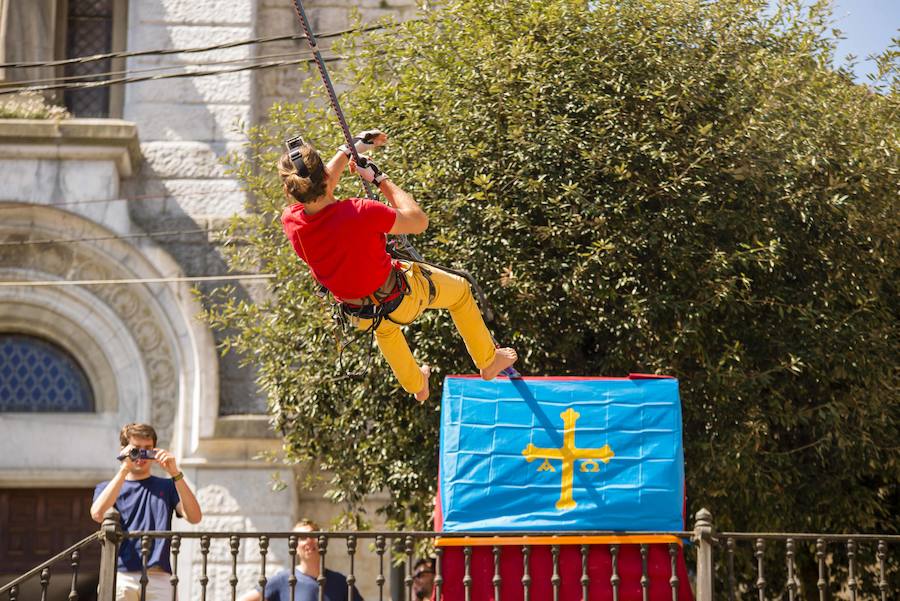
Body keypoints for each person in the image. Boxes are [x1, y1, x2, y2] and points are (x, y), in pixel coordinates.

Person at [278, 130, 517, 402]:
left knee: (387, 330)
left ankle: (418, 385)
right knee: (460, 291)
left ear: (291, 190)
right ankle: (487, 361)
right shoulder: (360, 212)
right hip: (401, 297)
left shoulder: (292, 221)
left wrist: (349, 149)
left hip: (361, 313)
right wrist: (380, 179)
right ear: (322, 175)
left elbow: (319, 189)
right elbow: (417, 221)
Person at [90, 423, 203, 601]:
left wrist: (175, 472)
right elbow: (97, 514)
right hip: (120, 574)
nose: (141, 455)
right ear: (124, 450)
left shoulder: (168, 486)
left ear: (155, 450)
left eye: (147, 449)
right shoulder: (107, 488)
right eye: (136, 449)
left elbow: (195, 517)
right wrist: (124, 468)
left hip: (160, 576)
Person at [237, 519, 363, 601]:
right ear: (295, 547)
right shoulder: (283, 580)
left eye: (314, 535)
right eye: (302, 537)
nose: (309, 540)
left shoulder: (340, 582)